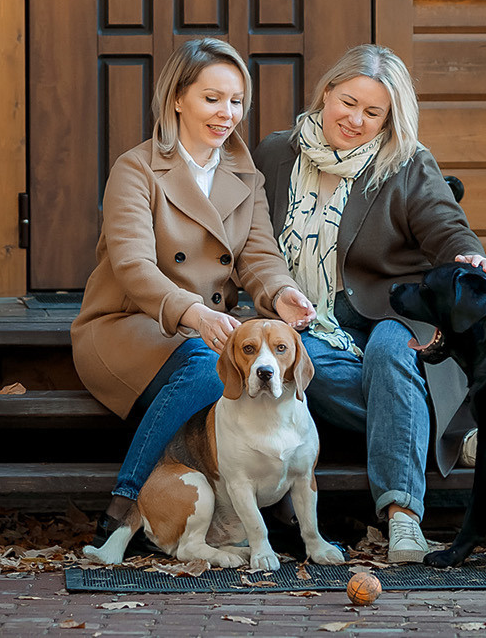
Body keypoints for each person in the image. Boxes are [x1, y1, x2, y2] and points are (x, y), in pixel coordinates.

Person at [254, 43, 486, 564]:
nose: (356, 120)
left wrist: (468, 257)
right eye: (348, 103)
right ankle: (445, 426)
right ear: (326, 92)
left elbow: (446, 225)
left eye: (373, 113)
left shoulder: (406, 162)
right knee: (295, 368)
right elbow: (247, 232)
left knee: (392, 355)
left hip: (392, 310)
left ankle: (403, 518)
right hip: (307, 320)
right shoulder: (276, 154)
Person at [71, 37, 318, 545]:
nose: (226, 113)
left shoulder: (243, 175)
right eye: (212, 98)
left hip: (207, 325)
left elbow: (259, 257)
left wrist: (281, 292)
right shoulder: (136, 169)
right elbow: (133, 266)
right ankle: (127, 504)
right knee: (210, 366)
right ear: (177, 98)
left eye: (235, 101)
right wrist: (195, 316)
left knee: (245, 367)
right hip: (126, 326)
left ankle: (281, 507)